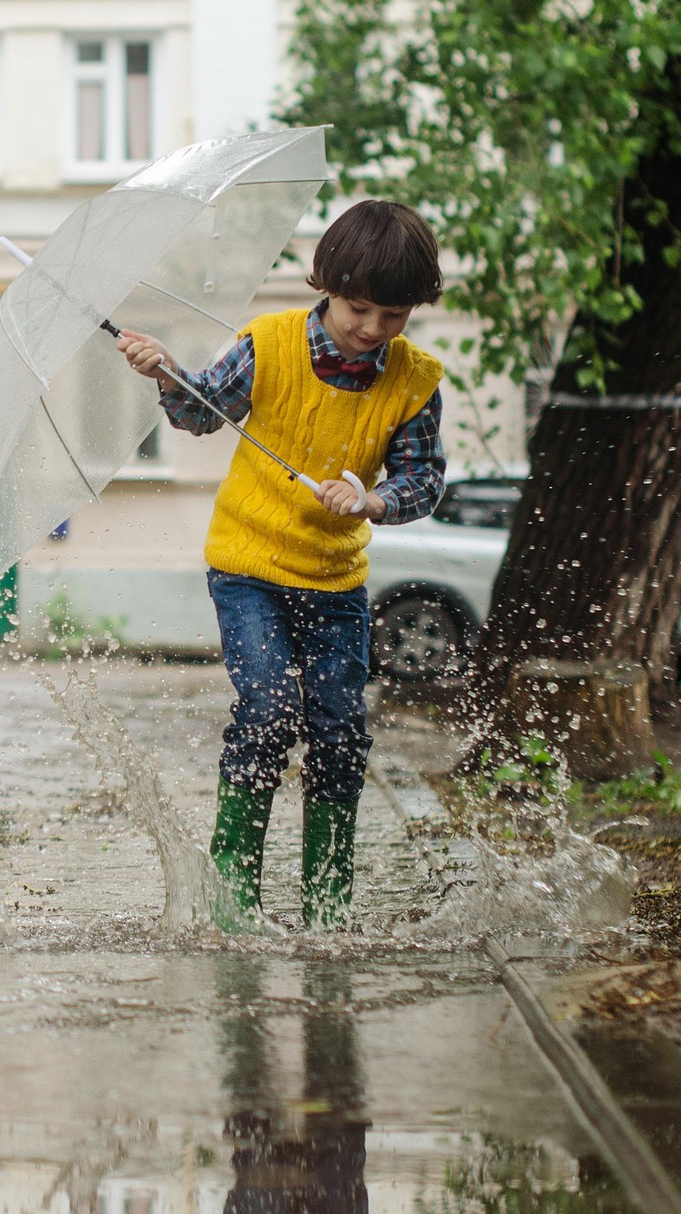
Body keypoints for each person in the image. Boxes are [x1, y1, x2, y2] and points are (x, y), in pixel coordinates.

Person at [116, 199, 446, 932]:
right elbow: (201, 413)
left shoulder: (415, 381)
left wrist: (375, 500)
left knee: (338, 733)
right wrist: (167, 372)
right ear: (325, 284)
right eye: (359, 308)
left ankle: (327, 910)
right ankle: (234, 906)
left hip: (336, 580)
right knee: (266, 716)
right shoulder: (268, 346)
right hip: (249, 568)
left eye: (394, 316)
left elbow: (423, 481)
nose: (372, 329)